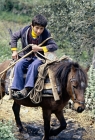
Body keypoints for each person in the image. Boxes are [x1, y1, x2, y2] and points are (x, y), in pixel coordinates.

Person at [10, 14, 58, 99]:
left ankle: (27, 88)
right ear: (32, 26)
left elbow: (54, 46)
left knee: (34, 65)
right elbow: (14, 37)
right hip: (26, 56)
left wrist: (39, 48)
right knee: (19, 64)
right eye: (37, 28)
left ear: (44, 28)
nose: (39, 31)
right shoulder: (24, 30)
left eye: (41, 28)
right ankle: (17, 89)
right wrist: (14, 51)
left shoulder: (46, 34)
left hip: (39, 58)